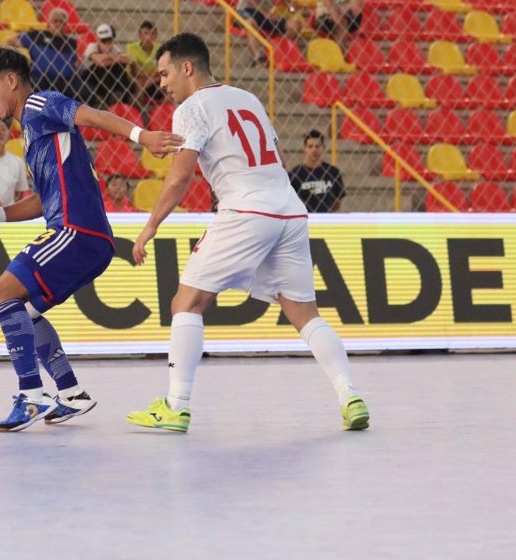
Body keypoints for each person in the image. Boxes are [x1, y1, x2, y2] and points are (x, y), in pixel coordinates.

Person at [127, 33, 369, 433]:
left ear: (188, 69)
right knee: (304, 314)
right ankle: (350, 396)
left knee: (185, 303)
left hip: (246, 208)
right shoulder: (247, 97)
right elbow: (278, 157)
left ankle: (175, 405)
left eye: (166, 73)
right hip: (290, 210)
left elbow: (180, 176)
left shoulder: (191, 108)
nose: (162, 83)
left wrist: (150, 225)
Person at [0, 47, 183, 432]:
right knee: (25, 313)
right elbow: (41, 200)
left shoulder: (39, 104)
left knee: (1, 296)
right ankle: (69, 392)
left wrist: (143, 136)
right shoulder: (33, 132)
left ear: (11, 81)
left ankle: (32, 394)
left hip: (75, 231)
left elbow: (94, 116)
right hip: (85, 237)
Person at [9, 8, 78, 95]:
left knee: (84, 90)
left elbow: (75, 62)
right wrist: (19, 47)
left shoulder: (71, 42)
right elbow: (10, 40)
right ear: (49, 23)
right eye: (55, 21)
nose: (58, 24)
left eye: (62, 22)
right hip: (40, 77)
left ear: (65, 25)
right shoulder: (37, 35)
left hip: (65, 79)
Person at [288, 129, 345, 212]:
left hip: (326, 220)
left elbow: (338, 202)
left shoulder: (333, 172)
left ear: (324, 148)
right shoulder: (294, 174)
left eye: (317, 146)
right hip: (305, 219)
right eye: (310, 146)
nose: (314, 150)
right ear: (304, 148)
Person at [79, 23, 134, 108]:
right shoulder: (92, 46)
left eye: (109, 41)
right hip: (90, 80)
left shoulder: (114, 48)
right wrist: (112, 56)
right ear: (98, 40)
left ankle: (118, 95)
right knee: (104, 68)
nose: (107, 44)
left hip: (107, 80)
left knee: (118, 67)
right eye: (104, 41)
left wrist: (111, 59)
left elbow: (128, 60)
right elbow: (99, 61)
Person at [236, 0, 304, 65]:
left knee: (296, 25)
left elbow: (290, 7)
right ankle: (259, 57)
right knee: (250, 23)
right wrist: (266, 13)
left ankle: (277, 49)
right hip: (246, 10)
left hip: (267, 15)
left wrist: (292, 7)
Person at [125, 20, 164, 102]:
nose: (149, 37)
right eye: (146, 33)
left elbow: (162, 70)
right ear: (139, 34)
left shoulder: (160, 48)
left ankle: (165, 108)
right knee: (139, 82)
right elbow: (135, 72)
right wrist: (149, 77)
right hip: (137, 79)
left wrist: (151, 79)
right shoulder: (132, 48)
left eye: (152, 33)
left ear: (156, 35)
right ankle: (140, 108)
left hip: (155, 79)